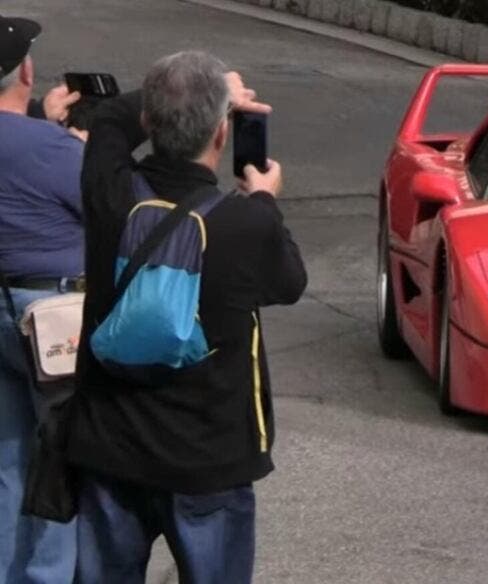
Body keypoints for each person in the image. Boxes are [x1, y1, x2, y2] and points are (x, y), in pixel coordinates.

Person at [67, 51, 307, 581]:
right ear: (222, 134)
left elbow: (108, 118)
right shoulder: (246, 224)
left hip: (112, 446)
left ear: (149, 122)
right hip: (208, 456)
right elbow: (290, 284)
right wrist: (265, 201)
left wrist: (191, 91)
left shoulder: (110, 193)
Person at [0, 13, 86, 583]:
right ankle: (48, 575)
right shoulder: (54, 149)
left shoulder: (37, 134)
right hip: (51, 316)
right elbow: (109, 210)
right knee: (60, 456)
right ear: (26, 70)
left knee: (8, 456)